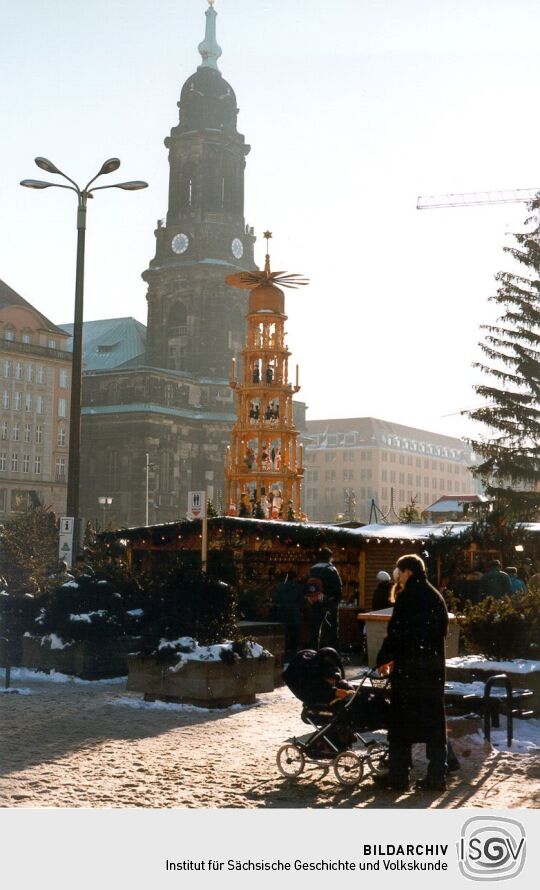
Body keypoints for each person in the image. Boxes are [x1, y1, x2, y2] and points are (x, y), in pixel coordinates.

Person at [375, 553, 448, 792]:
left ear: (408, 571)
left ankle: (398, 775)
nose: (397, 575)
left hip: (409, 671)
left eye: (399, 570)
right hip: (432, 670)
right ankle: (437, 775)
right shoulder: (435, 596)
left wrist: (383, 659)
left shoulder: (407, 597)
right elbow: (439, 632)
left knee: (401, 724)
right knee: (434, 725)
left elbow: (396, 633)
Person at [306, 546, 342, 652]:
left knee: (315, 630)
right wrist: (335, 599)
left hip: (315, 602)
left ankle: (313, 652)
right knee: (332, 630)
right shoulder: (331, 569)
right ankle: (333, 654)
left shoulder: (312, 569)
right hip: (329, 603)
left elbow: (306, 586)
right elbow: (338, 587)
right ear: (329, 557)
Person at [271, 570, 304, 655]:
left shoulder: (279, 587)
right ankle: (293, 653)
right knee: (294, 636)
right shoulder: (298, 587)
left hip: (282, 613)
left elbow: (275, 599)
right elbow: (302, 601)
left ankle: (283, 652)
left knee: (283, 635)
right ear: (295, 578)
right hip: (294, 614)